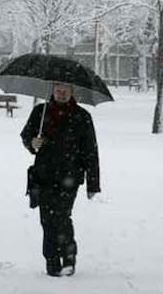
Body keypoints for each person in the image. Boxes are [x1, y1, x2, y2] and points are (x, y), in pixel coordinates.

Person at [20, 81, 101, 277]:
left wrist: (93, 184)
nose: (62, 93)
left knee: (62, 216)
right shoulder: (41, 112)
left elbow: (91, 152)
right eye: (58, 89)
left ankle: (68, 258)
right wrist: (32, 142)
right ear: (52, 90)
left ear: (73, 92)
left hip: (70, 176)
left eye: (66, 90)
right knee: (46, 219)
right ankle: (51, 261)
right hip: (43, 175)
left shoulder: (82, 117)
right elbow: (26, 135)